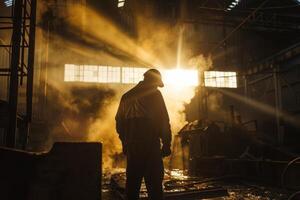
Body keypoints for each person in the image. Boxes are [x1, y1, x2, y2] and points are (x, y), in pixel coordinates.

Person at [115, 69, 172, 200]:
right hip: (150, 147)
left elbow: (119, 123)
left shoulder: (126, 96)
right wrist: (166, 144)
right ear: (152, 81)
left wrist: (126, 142)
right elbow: (163, 120)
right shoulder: (155, 95)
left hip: (133, 148)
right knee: (154, 186)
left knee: (132, 185)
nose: (156, 87)